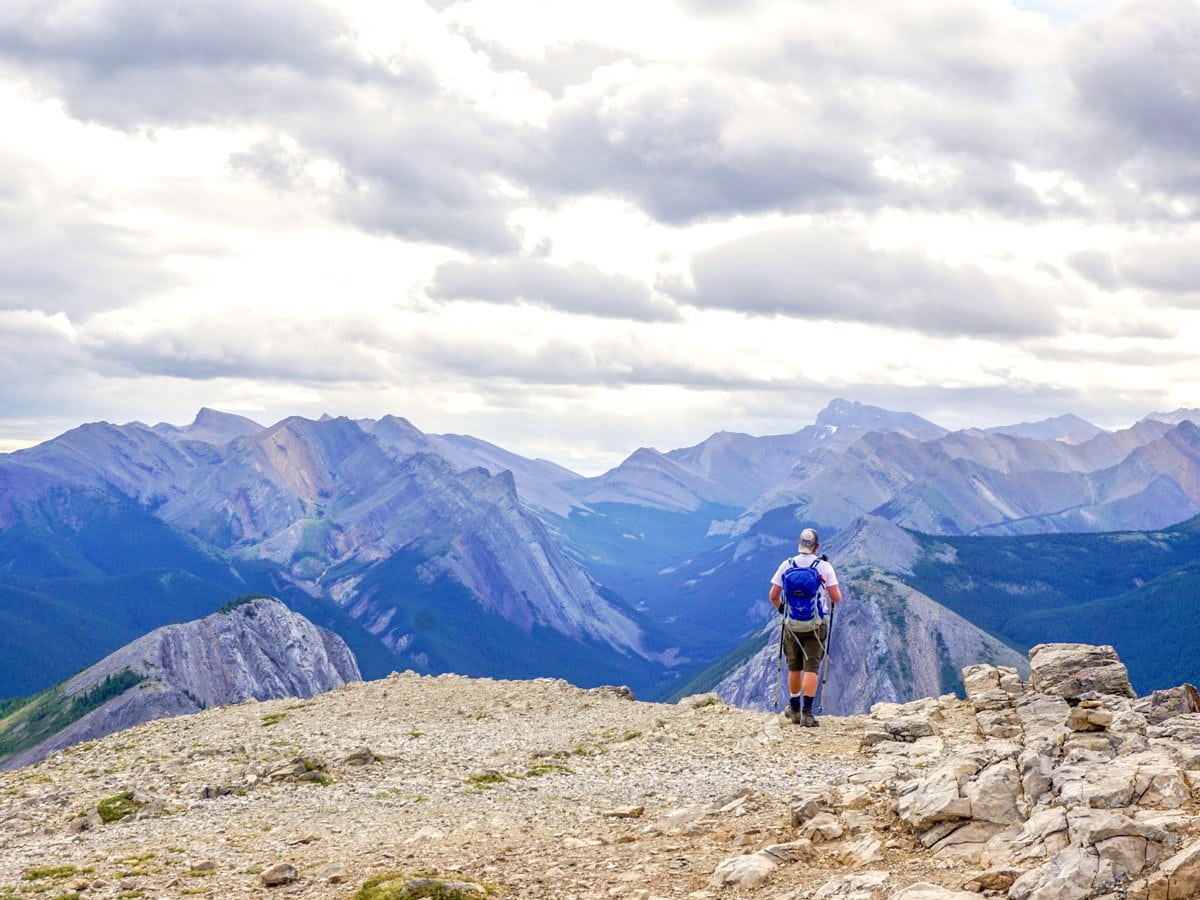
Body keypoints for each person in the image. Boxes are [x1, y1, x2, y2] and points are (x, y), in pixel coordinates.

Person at [769, 527, 842, 727]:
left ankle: (794, 710)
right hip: (815, 626)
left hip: (792, 625)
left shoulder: (787, 565)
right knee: (811, 668)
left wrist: (783, 609)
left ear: (799, 544)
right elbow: (837, 597)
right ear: (817, 546)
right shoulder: (824, 567)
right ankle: (807, 714)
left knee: (794, 667)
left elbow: (773, 596)